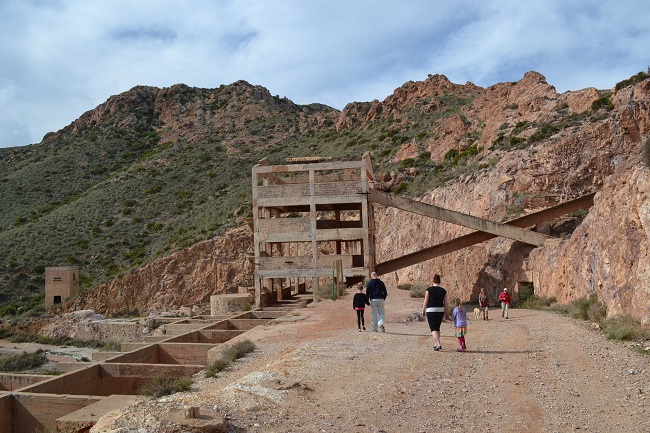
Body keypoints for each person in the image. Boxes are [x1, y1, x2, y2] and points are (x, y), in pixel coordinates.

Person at [422, 274, 448, 350]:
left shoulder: (428, 290)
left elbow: (426, 301)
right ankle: (436, 343)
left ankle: (439, 344)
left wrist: (423, 309)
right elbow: (446, 303)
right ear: (439, 282)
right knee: (437, 327)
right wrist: (446, 313)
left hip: (431, 310)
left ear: (433, 281)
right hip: (440, 310)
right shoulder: (443, 291)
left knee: (433, 328)